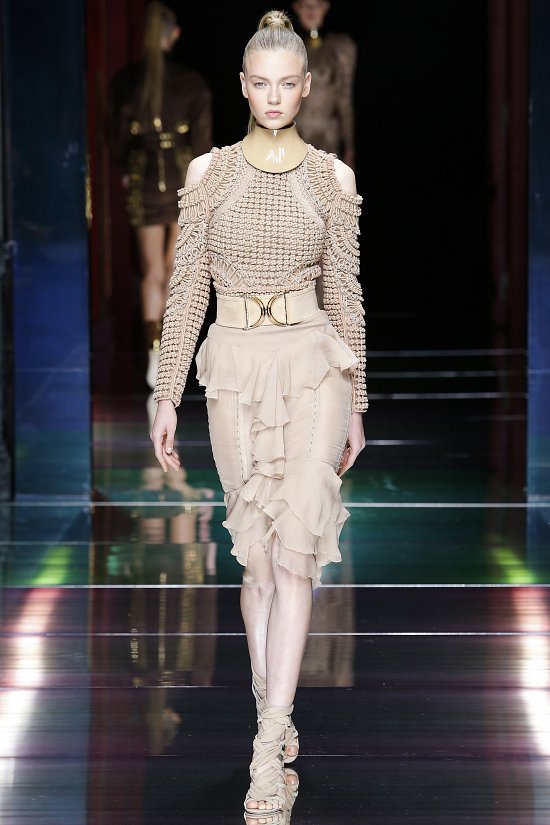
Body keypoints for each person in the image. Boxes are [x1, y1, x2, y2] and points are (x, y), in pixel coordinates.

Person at [150, 8, 367, 817]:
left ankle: (268, 746)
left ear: (306, 87)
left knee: (294, 556)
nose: (274, 97)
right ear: (244, 86)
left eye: (288, 84)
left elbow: (346, 296)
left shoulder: (332, 180)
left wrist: (358, 401)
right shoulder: (209, 176)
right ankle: (269, 709)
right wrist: (165, 392)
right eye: (261, 84)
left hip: (314, 364)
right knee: (257, 558)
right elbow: (185, 292)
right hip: (236, 366)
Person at [106, 1, 213, 391]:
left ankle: (157, 356)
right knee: (174, 270)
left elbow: (116, 142)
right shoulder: (191, 83)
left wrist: (129, 165)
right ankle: (170, 356)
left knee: (153, 271)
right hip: (184, 177)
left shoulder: (125, 82)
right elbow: (202, 144)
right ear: (174, 34)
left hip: (144, 177)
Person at [291, 0, 357, 169]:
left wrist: (349, 145)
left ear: (325, 7)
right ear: (297, 7)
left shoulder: (340, 47)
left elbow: (344, 97)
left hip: (328, 137)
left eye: (317, 4)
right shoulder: (287, 47)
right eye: (305, 4)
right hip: (294, 136)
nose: (311, 10)